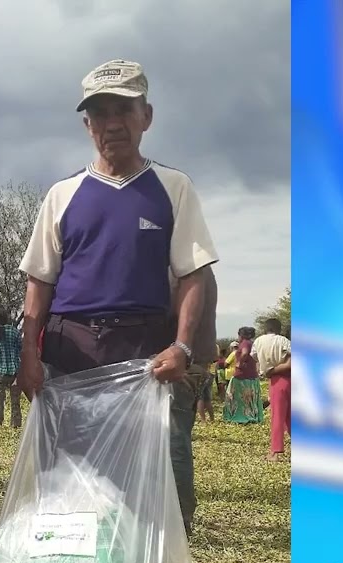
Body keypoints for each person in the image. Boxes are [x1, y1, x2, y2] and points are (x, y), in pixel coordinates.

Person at [17, 59, 218, 532]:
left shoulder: (173, 188)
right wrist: (29, 352)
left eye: (124, 110)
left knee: (157, 478)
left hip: (146, 356)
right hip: (71, 354)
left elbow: (194, 275)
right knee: (68, 476)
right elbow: (39, 281)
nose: (112, 123)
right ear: (87, 125)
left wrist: (183, 347)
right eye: (100, 113)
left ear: (146, 116)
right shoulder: (63, 194)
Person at [167, 271, 217, 536]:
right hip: (195, 364)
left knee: (173, 441)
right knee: (179, 438)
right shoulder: (205, 273)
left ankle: (180, 516)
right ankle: (181, 513)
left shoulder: (184, 272)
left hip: (178, 365)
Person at [253, 317, 291, 461]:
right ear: (279, 329)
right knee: (288, 417)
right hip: (289, 379)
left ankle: (275, 452)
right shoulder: (284, 341)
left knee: (277, 417)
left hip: (276, 380)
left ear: (265, 328)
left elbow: (255, 357)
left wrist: (269, 369)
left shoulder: (258, 341)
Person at [0, 308, 23, 428]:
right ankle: (15, 424)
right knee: (15, 401)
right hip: (15, 371)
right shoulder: (14, 332)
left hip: (0, 371)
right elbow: (20, 348)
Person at [223, 326, 262, 423]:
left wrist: (239, 362)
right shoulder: (251, 343)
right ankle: (250, 414)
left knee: (235, 396)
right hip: (251, 375)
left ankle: (240, 416)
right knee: (249, 398)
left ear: (241, 335)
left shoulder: (245, 343)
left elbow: (244, 353)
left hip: (242, 375)